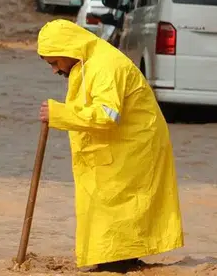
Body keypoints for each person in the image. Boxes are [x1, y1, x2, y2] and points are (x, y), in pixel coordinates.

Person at [36, 19, 184, 273]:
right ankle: (115, 260)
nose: (54, 70)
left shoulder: (105, 66)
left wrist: (58, 115)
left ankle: (117, 262)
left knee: (117, 205)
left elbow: (107, 115)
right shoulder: (87, 63)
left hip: (132, 148)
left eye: (54, 62)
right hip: (118, 147)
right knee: (107, 208)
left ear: (68, 50)